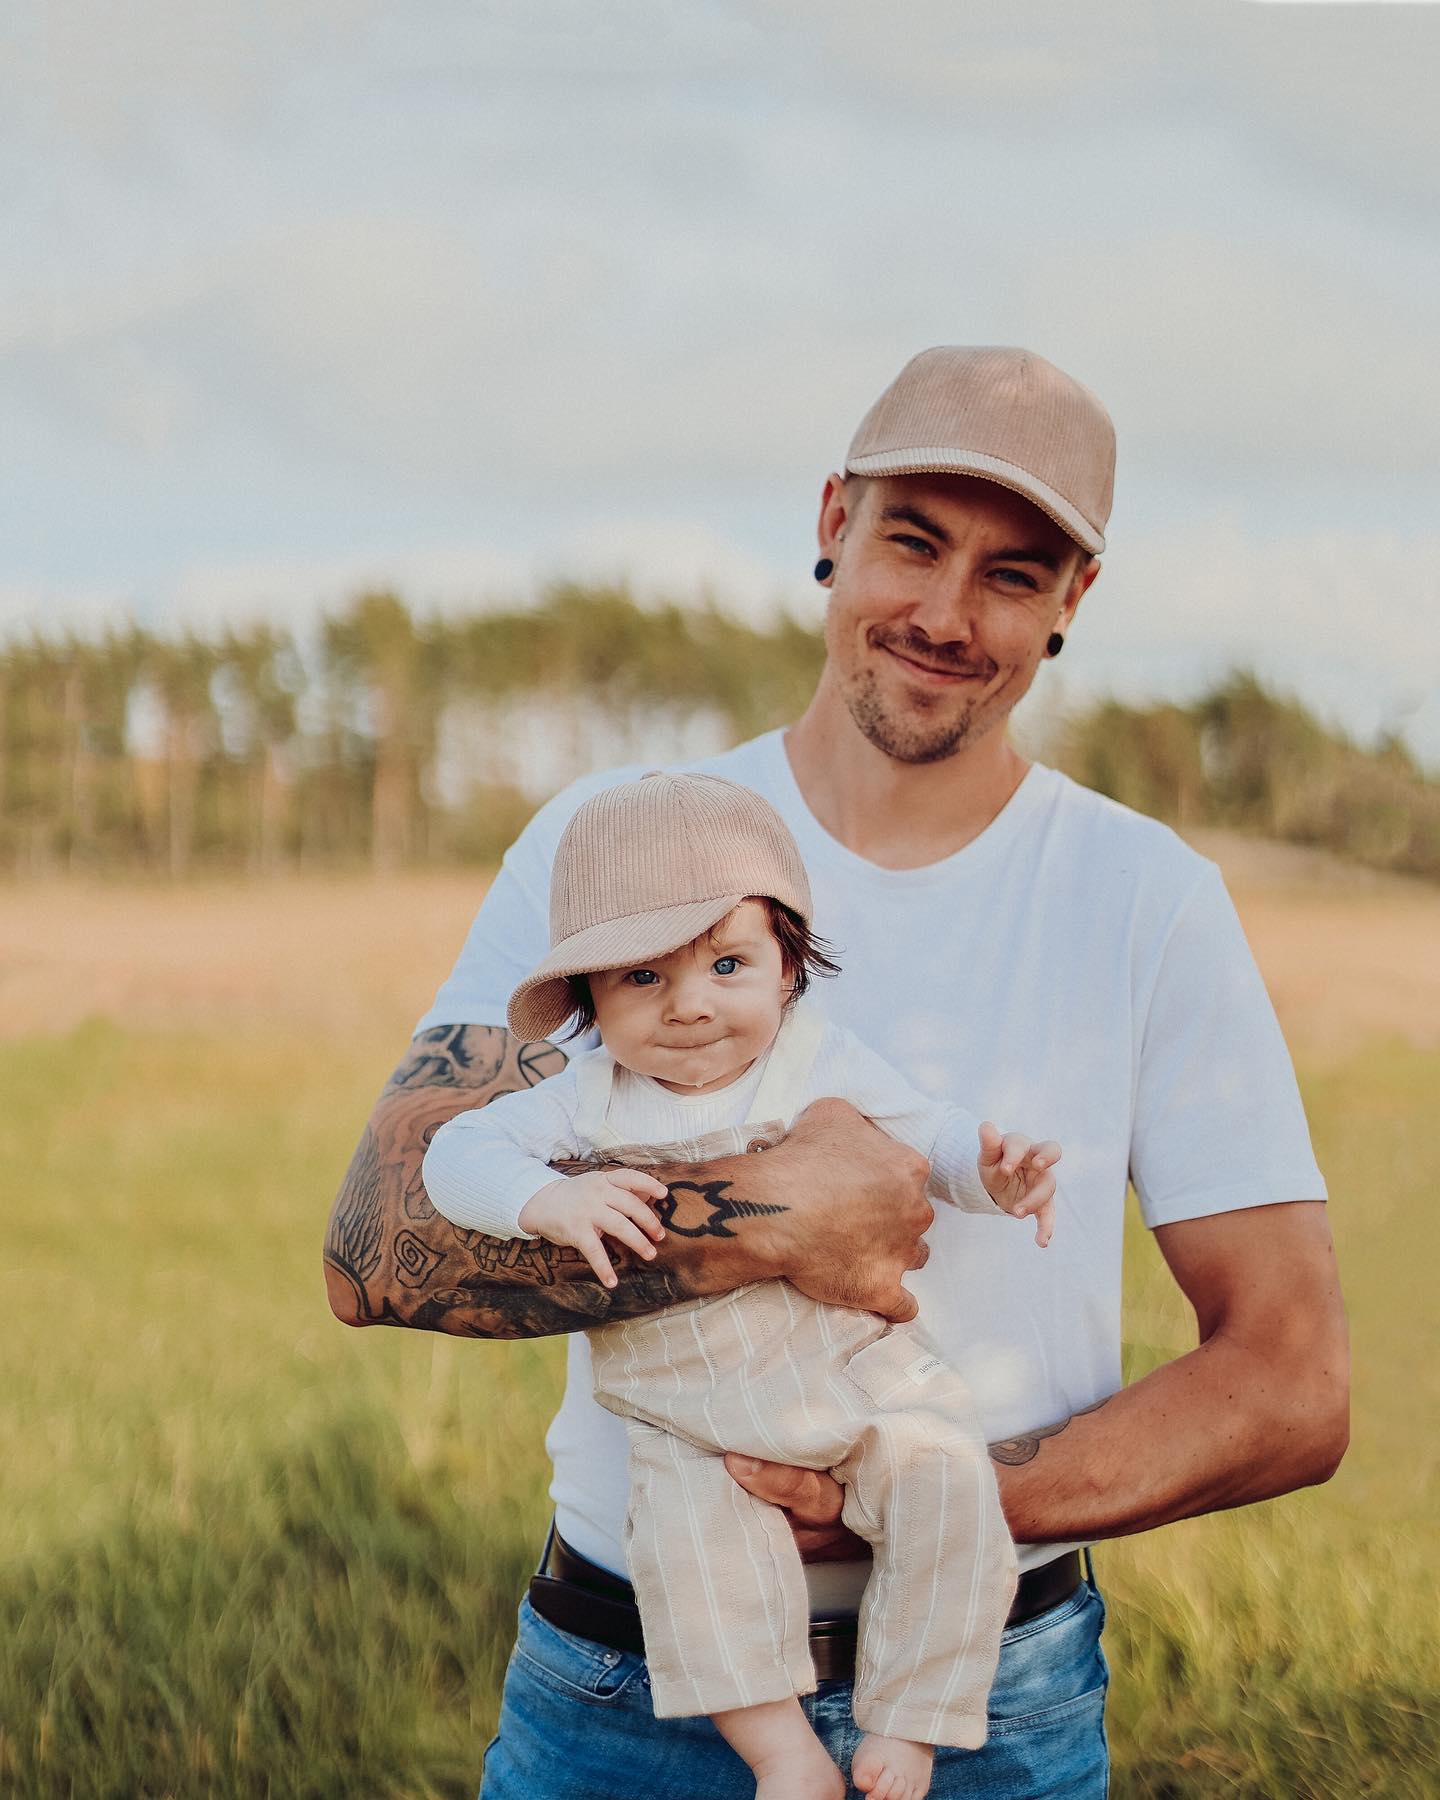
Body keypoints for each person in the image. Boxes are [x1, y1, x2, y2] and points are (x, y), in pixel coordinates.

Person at [324, 345, 1349, 1799]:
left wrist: (938, 1503)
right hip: (623, 1687)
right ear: (832, 521)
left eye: (1012, 574)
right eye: (912, 542)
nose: (944, 615)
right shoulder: (615, 846)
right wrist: (771, 1218)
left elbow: (1293, 1380)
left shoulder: (1145, 899)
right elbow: (374, 1252)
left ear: (1073, 601)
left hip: (993, 1698)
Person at [421, 770, 1062, 1800]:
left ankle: (912, 1717)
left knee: (947, 1483)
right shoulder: (585, 1099)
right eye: (642, 977)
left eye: (728, 964)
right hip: (689, 1412)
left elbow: (927, 1136)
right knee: (695, 1564)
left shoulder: (816, 1060)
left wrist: (992, 1174)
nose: (690, 1005)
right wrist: (545, 1199)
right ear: (587, 997)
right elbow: (453, 1154)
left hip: (855, 1370)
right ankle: (782, 1754)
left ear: (788, 967)